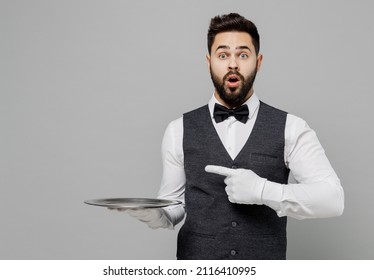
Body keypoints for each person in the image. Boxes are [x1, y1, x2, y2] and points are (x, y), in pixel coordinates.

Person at [121, 13, 344, 260]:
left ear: (258, 62)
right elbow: (174, 206)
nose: (233, 64)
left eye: (243, 54)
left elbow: (332, 199)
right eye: (223, 55)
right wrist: (157, 216)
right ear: (209, 61)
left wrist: (262, 190)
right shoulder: (178, 130)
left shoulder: (291, 127)